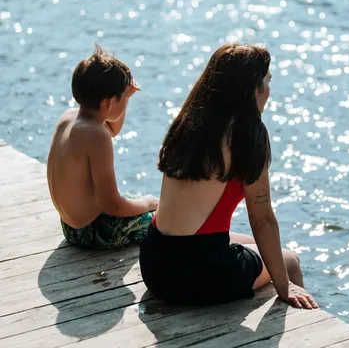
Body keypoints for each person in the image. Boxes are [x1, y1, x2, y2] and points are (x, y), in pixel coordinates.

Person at [140, 43, 318, 309]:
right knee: (289, 260)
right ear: (252, 88)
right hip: (196, 276)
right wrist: (284, 286)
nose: (269, 91)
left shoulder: (187, 121)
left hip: (154, 263)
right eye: (268, 81)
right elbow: (263, 220)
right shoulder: (247, 135)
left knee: (251, 244)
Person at [47, 44, 158, 249]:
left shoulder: (69, 118)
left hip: (70, 226)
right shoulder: (97, 136)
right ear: (108, 103)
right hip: (93, 231)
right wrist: (149, 203)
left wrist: (125, 96)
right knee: (162, 220)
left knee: (147, 204)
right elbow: (113, 205)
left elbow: (112, 129)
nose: (127, 100)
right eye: (124, 97)